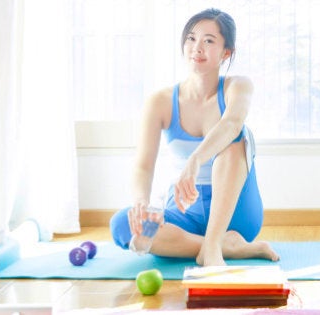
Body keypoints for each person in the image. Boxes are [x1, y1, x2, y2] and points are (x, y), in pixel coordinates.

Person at [110, 8, 279, 266]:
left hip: (235, 213)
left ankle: (212, 244)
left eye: (208, 40)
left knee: (237, 138)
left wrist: (195, 159)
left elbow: (232, 124)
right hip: (184, 213)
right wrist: (141, 203)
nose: (196, 47)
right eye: (191, 38)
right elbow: (143, 166)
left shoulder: (238, 86)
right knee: (122, 225)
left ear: (226, 52)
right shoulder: (161, 101)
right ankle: (225, 246)